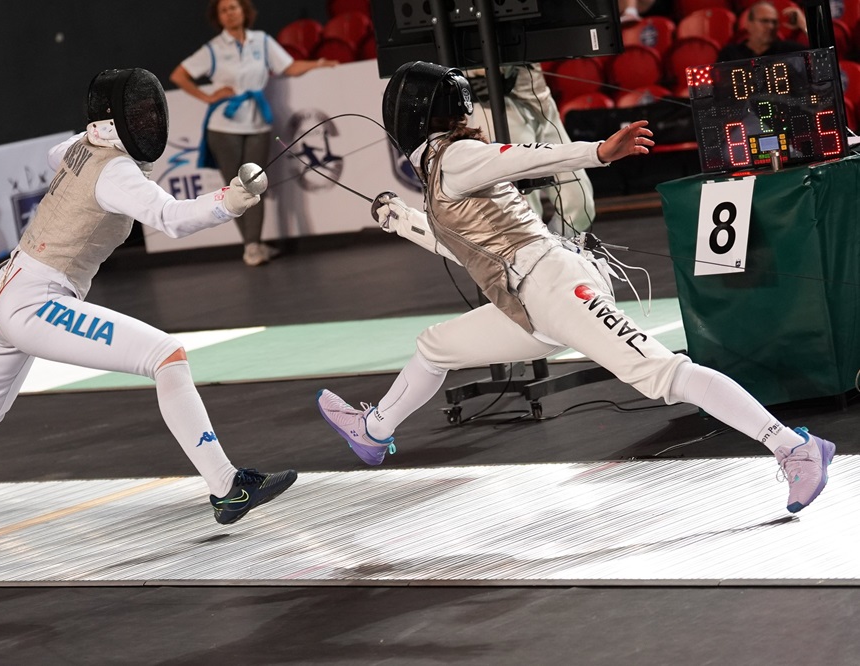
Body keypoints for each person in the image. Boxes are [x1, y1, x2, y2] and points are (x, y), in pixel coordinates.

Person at [316, 60, 835, 515]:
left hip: (557, 287)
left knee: (663, 374)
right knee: (435, 346)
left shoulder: (454, 157)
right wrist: (405, 221)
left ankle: (794, 447)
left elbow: (524, 158)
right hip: (526, 305)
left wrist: (598, 152)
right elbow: (471, 251)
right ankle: (375, 430)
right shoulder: (440, 168)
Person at [0, 68, 296, 539]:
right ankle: (227, 487)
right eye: (138, 114)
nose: (147, 121)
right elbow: (170, 217)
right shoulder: (115, 170)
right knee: (166, 356)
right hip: (35, 301)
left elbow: (56, 153)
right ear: (116, 120)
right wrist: (229, 201)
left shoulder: (80, 146)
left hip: (7, 291)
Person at [170, 0, 337, 267]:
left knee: (255, 185)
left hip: (257, 124)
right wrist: (207, 97)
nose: (229, 13)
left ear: (244, 11)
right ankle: (251, 246)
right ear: (218, 17)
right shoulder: (214, 48)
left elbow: (288, 66)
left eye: (233, 7)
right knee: (236, 188)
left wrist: (318, 63)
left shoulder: (261, 41)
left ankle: (254, 244)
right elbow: (179, 75)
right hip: (223, 127)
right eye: (224, 10)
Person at [467, 63, 595, 237]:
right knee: (526, 213)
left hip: (539, 99)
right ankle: (540, 250)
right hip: (493, 103)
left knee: (580, 205)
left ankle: (554, 247)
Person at [718, 1, 807, 62]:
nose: (771, 26)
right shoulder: (730, 54)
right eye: (764, 21)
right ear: (749, 24)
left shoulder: (790, 50)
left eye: (774, 22)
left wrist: (804, 25)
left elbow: (815, 57)